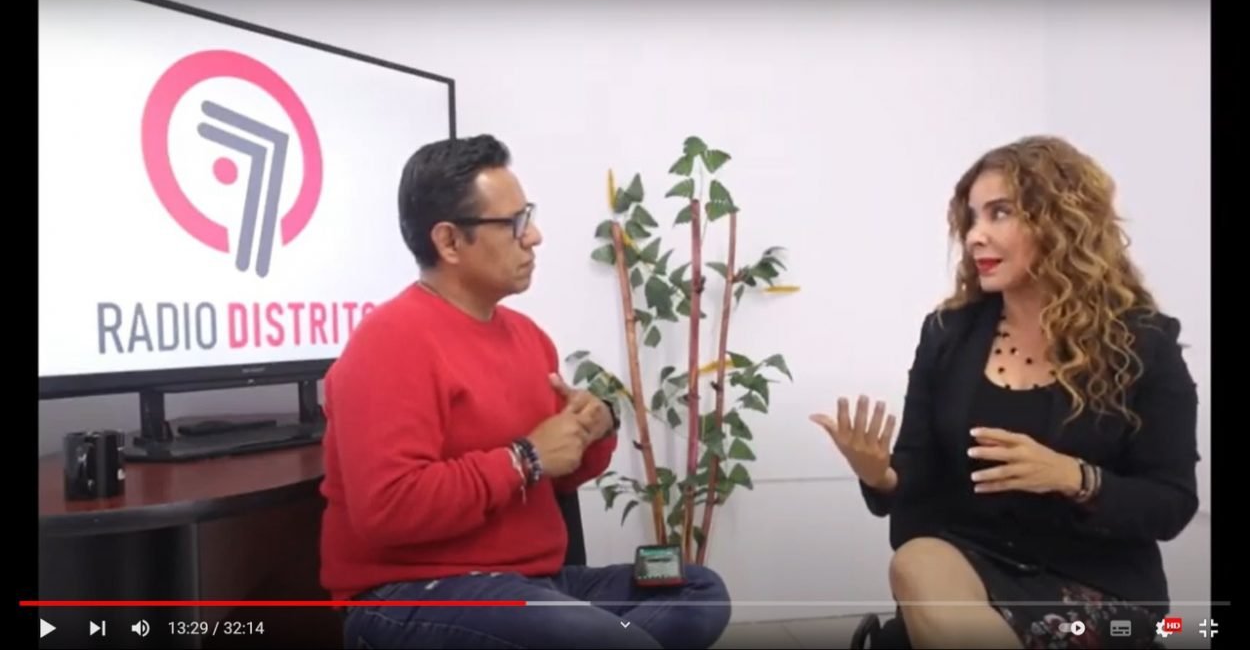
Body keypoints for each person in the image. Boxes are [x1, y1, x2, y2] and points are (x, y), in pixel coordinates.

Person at [319, 134, 732, 649]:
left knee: (698, 590)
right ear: (449, 242)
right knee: (601, 637)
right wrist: (524, 459)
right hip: (417, 593)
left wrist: (592, 427)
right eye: (514, 224)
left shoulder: (528, 337)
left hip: (538, 585)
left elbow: (562, 472)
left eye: (528, 216)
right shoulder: (388, 342)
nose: (534, 236)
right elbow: (388, 508)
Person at [812, 135, 1200, 648]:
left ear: (1061, 221)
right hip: (967, 565)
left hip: (1097, 586)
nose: (975, 236)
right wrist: (879, 475)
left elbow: (1172, 502)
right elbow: (917, 473)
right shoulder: (947, 335)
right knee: (916, 560)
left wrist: (1074, 477)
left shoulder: (1144, 344)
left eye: (1000, 213)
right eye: (971, 218)